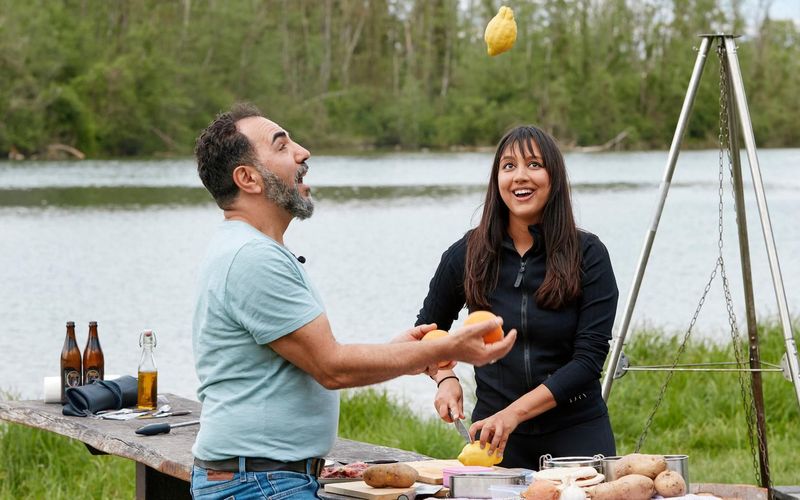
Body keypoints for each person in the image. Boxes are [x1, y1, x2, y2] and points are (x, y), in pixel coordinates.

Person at [190, 103, 517, 499]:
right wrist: (451, 348)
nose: (302, 151)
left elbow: (313, 362)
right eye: (281, 146)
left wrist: (395, 351)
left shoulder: (252, 249)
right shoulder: (252, 257)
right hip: (260, 483)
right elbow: (332, 368)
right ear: (248, 178)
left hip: (264, 478)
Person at [417, 125, 619, 469]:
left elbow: (587, 362)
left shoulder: (588, 254)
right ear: (497, 180)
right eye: (508, 166)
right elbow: (426, 331)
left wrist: (513, 414)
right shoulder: (467, 253)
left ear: (553, 177)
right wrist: (445, 377)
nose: (519, 176)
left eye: (534, 164)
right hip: (492, 439)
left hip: (577, 433)